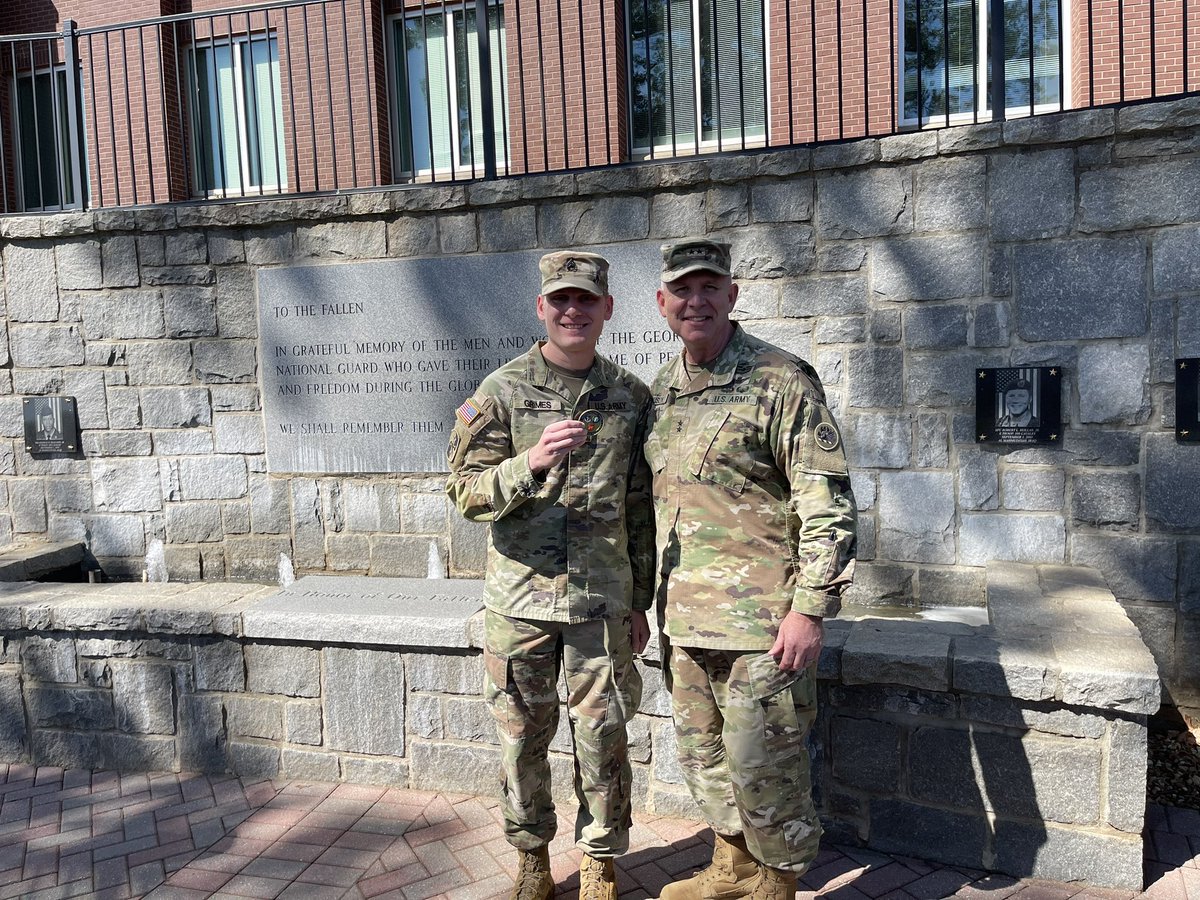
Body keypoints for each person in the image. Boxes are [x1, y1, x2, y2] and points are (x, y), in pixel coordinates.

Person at [644, 239, 858, 900]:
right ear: (663, 304)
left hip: (763, 627)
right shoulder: (662, 391)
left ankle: (775, 887)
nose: (696, 300)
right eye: (683, 289)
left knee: (769, 772)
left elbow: (824, 500)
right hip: (683, 618)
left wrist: (811, 606)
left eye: (710, 287)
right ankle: (732, 870)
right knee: (706, 761)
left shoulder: (780, 379)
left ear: (733, 295)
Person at [446, 251, 653, 900]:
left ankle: (600, 857)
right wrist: (529, 463)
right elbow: (465, 493)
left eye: (586, 300)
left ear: (607, 310)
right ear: (541, 308)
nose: (573, 310)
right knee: (522, 742)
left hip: (600, 605)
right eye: (560, 299)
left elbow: (640, 507)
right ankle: (531, 855)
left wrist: (640, 601)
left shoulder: (629, 397)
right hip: (521, 605)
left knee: (604, 740)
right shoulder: (501, 393)